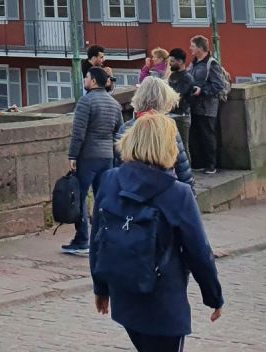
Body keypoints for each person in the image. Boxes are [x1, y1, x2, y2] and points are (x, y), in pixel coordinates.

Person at [90, 111, 224, 350]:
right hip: (163, 302)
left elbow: (99, 238)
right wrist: (214, 297)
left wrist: (101, 287)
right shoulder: (178, 193)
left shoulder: (110, 180)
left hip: (124, 295)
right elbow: (199, 252)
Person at [62, 65, 123, 256]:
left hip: (88, 156)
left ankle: (82, 240)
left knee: (80, 198)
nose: (85, 80)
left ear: (94, 81)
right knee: (103, 198)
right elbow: (119, 132)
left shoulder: (86, 101)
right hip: (107, 157)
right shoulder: (115, 104)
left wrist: (73, 156)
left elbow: (78, 133)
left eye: (87, 77)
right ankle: (104, 238)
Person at [116, 76, 192, 184]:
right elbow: (182, 168)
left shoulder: (125, 128)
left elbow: (119, 165)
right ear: (164, 101)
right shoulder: (168, 128)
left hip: (131, 186)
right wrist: (189, 190)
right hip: (163, 186)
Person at [184, 36, 227, 175]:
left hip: (207, 107)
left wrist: (202, 91)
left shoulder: (211, 64)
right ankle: (199, 163)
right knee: (195, 136)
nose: (190, 48)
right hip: (194, 105)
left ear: (200, 48)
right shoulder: (194, 63)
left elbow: (218, 85)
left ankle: (211, 165)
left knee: (207, 136)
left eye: (192, 46)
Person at [166, 49, 193, 152]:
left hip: (181, 116)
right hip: (171, 115)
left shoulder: (187, 78)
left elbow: (177, 96)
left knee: (183, 147)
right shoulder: (172, 75)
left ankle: (187, 163)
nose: (170, 63)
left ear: (180, 61)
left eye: (172, 61)